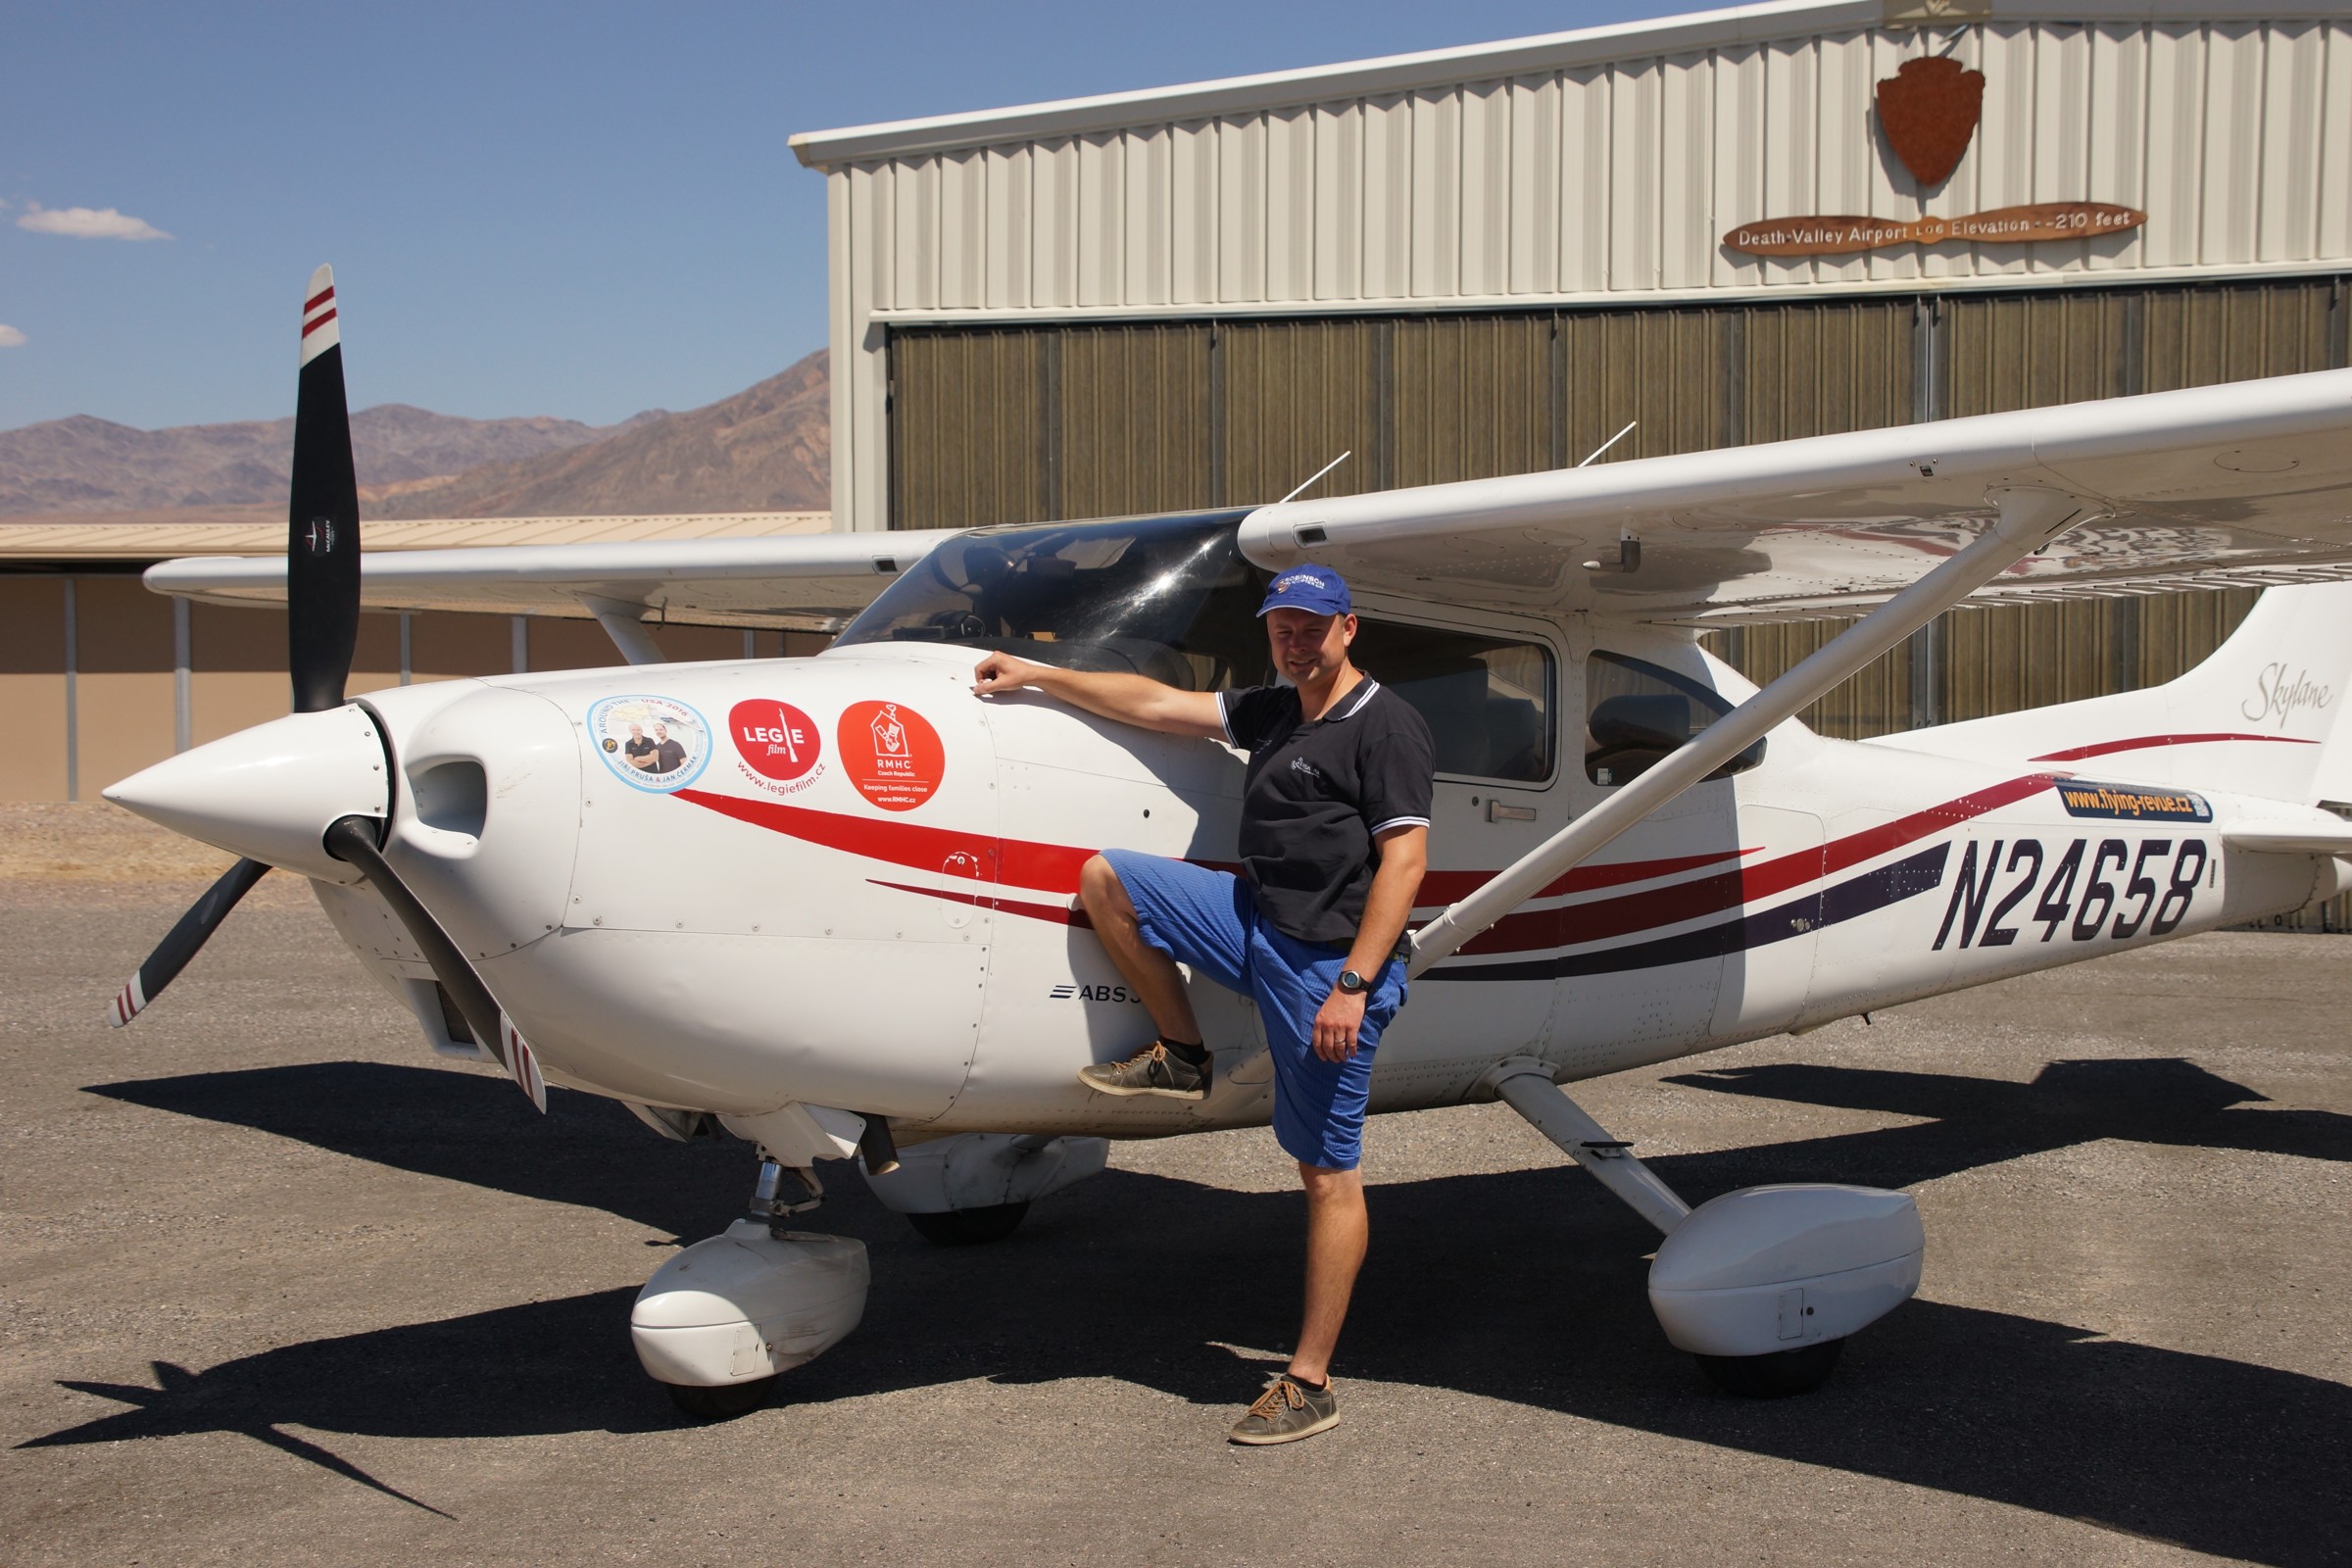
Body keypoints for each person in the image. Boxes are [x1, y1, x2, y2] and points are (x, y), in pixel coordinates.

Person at [970, 565, 1434, 1446]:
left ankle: (1310, 1382)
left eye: (1312, 627)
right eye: (1282, 628)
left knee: (1326, 1174)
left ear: (1348, 628)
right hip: (1257, 920)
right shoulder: (1276, 709)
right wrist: (1039, 675)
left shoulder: (1387, 726)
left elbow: (1405, 864)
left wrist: (1352, 985)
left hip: (1327, 966)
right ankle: (1183, 1054)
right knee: (1110, 879)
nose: (1295, 642)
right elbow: (1154, 703)